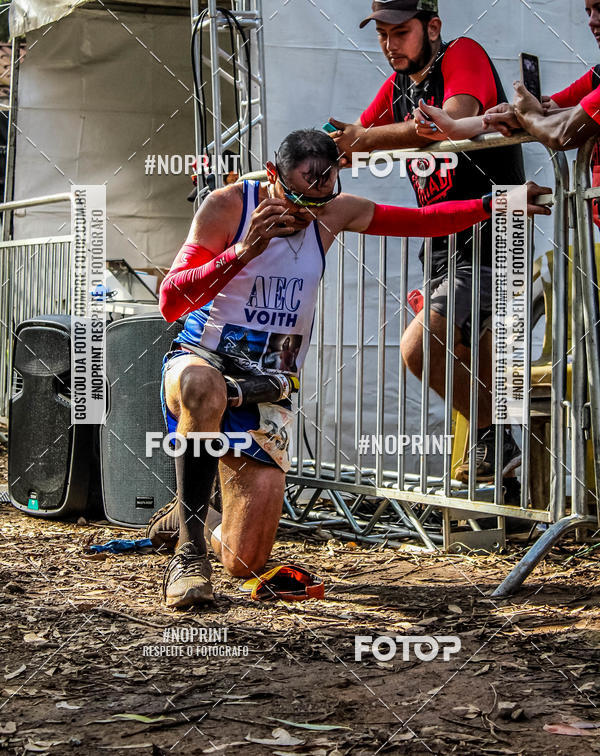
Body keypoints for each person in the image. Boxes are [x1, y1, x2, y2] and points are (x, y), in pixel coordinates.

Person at [151, 128, 550, 608]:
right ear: (274, 176)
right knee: (202, 386)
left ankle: (189, 516)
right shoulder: (228, 206)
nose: (306, 211)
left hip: (265, 384)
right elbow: (171, 302)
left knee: (246, 561)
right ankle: (189, 555)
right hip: (203, 359)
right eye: (297, 196)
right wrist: (244, 251)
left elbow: (423, 221)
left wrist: (497, 203)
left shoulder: (334, 211)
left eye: (321, 196)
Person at [328, 0, 526, 484]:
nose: (390, 44)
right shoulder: (398, 87)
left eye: (401, 31)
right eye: (382, 34)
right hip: (442, 245)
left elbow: (450, 120)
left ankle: (495, 439)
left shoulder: (462, 53)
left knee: (420, 349)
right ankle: (509, 481)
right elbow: (348, 142)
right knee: (471, 362)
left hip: (490, 237)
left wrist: (364, 138)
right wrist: (294, 163)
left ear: (431, 27)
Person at [480, 0, 600, 210]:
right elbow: (553, 108)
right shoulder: (597, 77)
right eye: (588, 11)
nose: (592, 22)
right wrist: (517, 113)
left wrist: (528, 118)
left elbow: (562, 133)